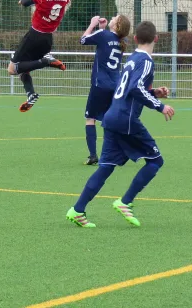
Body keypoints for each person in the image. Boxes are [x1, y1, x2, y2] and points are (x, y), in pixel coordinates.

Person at [66, 21, 175, 228]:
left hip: (111, 117)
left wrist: (153, 93)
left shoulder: (133, 59)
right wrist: (159, 105)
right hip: (126, 120)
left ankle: (77, 210)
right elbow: (134, 89)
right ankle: (125, 202)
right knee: (155, 161)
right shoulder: (146, 61)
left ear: (134, 39)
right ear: (157, 39)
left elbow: (131, 90)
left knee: (106, 167)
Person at [8, 0, 70, 112]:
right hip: (48, 39)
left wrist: (22, 1)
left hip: (34, 36)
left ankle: (45, 61)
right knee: (25, 66)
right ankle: (31, 94)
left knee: (12, 69)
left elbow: (28, 2)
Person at [81, 14, 131, 165]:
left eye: (115, 18)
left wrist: (92, 25)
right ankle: (118, 153)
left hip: (99, 84)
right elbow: (107, 44)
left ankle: (93, 155)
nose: (113, 17)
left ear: (117, 25)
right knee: (111, 120)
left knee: (91, 119)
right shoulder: (123, 41)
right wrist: (101, 29)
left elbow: (83, 40)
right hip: (115, 86)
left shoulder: (103, 35)